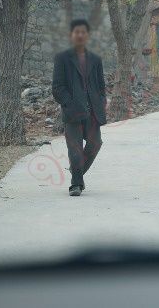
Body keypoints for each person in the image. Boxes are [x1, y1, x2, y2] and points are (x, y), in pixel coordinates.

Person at [52, 19, 107, 196]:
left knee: (95, 143)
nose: (80, 35)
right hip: (72, 111)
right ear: (71, 35)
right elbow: (57, 87)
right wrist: (69, 103)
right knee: (74, 149)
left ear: (88, 35)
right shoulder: (62, 58)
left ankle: (77, 173)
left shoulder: (96, 59)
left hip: (92, 111)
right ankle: (76, 184)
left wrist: (101, 101)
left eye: (83, 32)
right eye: (77, 32)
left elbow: (101, 86)